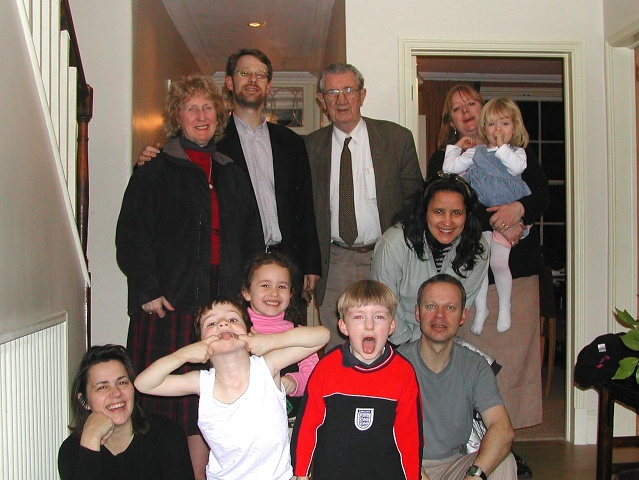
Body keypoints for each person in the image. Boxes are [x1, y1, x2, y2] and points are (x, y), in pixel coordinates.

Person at [116, 74, 264, 477]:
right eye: (191, 108)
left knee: (208, 401)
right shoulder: (155, 168)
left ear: (219, 114)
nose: (201, 116)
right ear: (176, 117)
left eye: (207, 108)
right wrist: (147, 289)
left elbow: (252, 236)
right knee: (164, 406)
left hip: (219, 308)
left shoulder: (231, 171)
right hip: (168, 304)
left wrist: (247, 292)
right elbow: (131, 235)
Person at [138, 49, 321, 306]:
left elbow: (304, 207)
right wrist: (147, 159)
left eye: (260, 75)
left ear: (268, 85)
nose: (252, 79)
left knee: (283, 331)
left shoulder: (291, 142)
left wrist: (310, 264)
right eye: (244, 73)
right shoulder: (212, 141)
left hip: (285, 262)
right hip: (235, 265)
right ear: (229, 82)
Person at [429, 84, 548, 433]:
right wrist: (500, 218)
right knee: (473, 366)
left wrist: (519, 210)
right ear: (450, 121)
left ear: (485, 110)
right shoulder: (446, 160)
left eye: (471, 103)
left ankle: (509, 443)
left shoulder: (516, 151)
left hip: (518, 273)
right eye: (457, 108)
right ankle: (475, 441)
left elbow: (541, 195)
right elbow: (445, 208)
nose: (466, 111)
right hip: (468, 276)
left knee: (515, 364)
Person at [134, 297, 329, 480]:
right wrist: (182, 355)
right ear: (200, 343)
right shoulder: (202, 383)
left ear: (248, 333)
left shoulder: (267, 366)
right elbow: (143, 384)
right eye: (211, 323)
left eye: (233, 319)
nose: (223, 324)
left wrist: (271, 341)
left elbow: (322, 336)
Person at [306, 63, 423, 350]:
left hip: (385, 256)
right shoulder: (309, 147)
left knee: (390, 337)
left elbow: (416, 203)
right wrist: (308, 264)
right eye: (332, 92)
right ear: (321, 100)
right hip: (335, 261)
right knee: (338, 345)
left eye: (349, 90)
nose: (341, 99)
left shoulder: (396, 139)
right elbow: (303, 213)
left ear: (362, 95)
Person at [291, 280, 422, 480]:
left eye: (379, 317)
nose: (369, 325)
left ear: (392, 326)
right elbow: (308, 425)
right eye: (359, 317)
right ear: (343, 326)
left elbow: (410, 435)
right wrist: (301, 473)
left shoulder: (403, 373)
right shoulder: (327, 369)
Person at [398, 274, 517, 480]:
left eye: (450, 308)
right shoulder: (395, 365)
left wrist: (474, 475)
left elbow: (502, 428)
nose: (440, 316)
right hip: (404, 464)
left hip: (454, 465)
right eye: (431, 306)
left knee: (504, 462)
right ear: (418, 313)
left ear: (463, 316)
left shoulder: (475, 366)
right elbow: (380, 434)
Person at [443, 97, 532, 335]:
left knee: (499, 262)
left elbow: (516, 168)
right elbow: (449, 169)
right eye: (492, 124)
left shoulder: (517, 153)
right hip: (481, 222)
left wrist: (501, 147)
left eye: (504, 124)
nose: (498, 130)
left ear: (515, 127)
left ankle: (504, 308)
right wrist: (457, 147)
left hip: (508, 221)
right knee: (480, 264)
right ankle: (481, 309)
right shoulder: (476, 152)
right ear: (484, 127)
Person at [370, 173, 489, 345]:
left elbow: (459, 306)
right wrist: (409, 347)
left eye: (456, 213)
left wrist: (431, 348)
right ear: (424, 211)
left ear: (467, 215)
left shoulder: (477, 248)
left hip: (442, 338)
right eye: (439, 212)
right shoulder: (393, 244)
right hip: (393, 336)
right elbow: (384, 302)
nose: (447, 222)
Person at [58, 345, 195, 480]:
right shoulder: (71, 450)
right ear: (84, 401)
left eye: (122, 383)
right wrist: (91, 441)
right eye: (103, 387)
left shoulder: (167, 435)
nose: (116, 393)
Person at [240, 251, 320, 419]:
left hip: (290, 420)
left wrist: (295, 381)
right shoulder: (238, 332)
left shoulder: (300, 333)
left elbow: (314, 375)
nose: (274, 293)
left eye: (282, 286)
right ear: (246, 292)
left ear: (291, 294)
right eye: (265, 285)